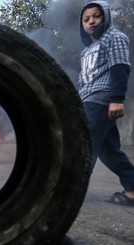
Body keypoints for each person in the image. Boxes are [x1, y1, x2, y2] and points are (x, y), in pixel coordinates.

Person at [78, 1, 134, 206]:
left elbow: (120, 67)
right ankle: (132, 190)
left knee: (85, 145)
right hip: (88, 99)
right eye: (86, 19)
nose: (91, 21)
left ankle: (69, 191)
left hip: (102, 99)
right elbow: (83, 80)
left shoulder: (115, 37)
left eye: (96, 16)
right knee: (109, 151)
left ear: (106, 17)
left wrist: (117, 99)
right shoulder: (87, 50)